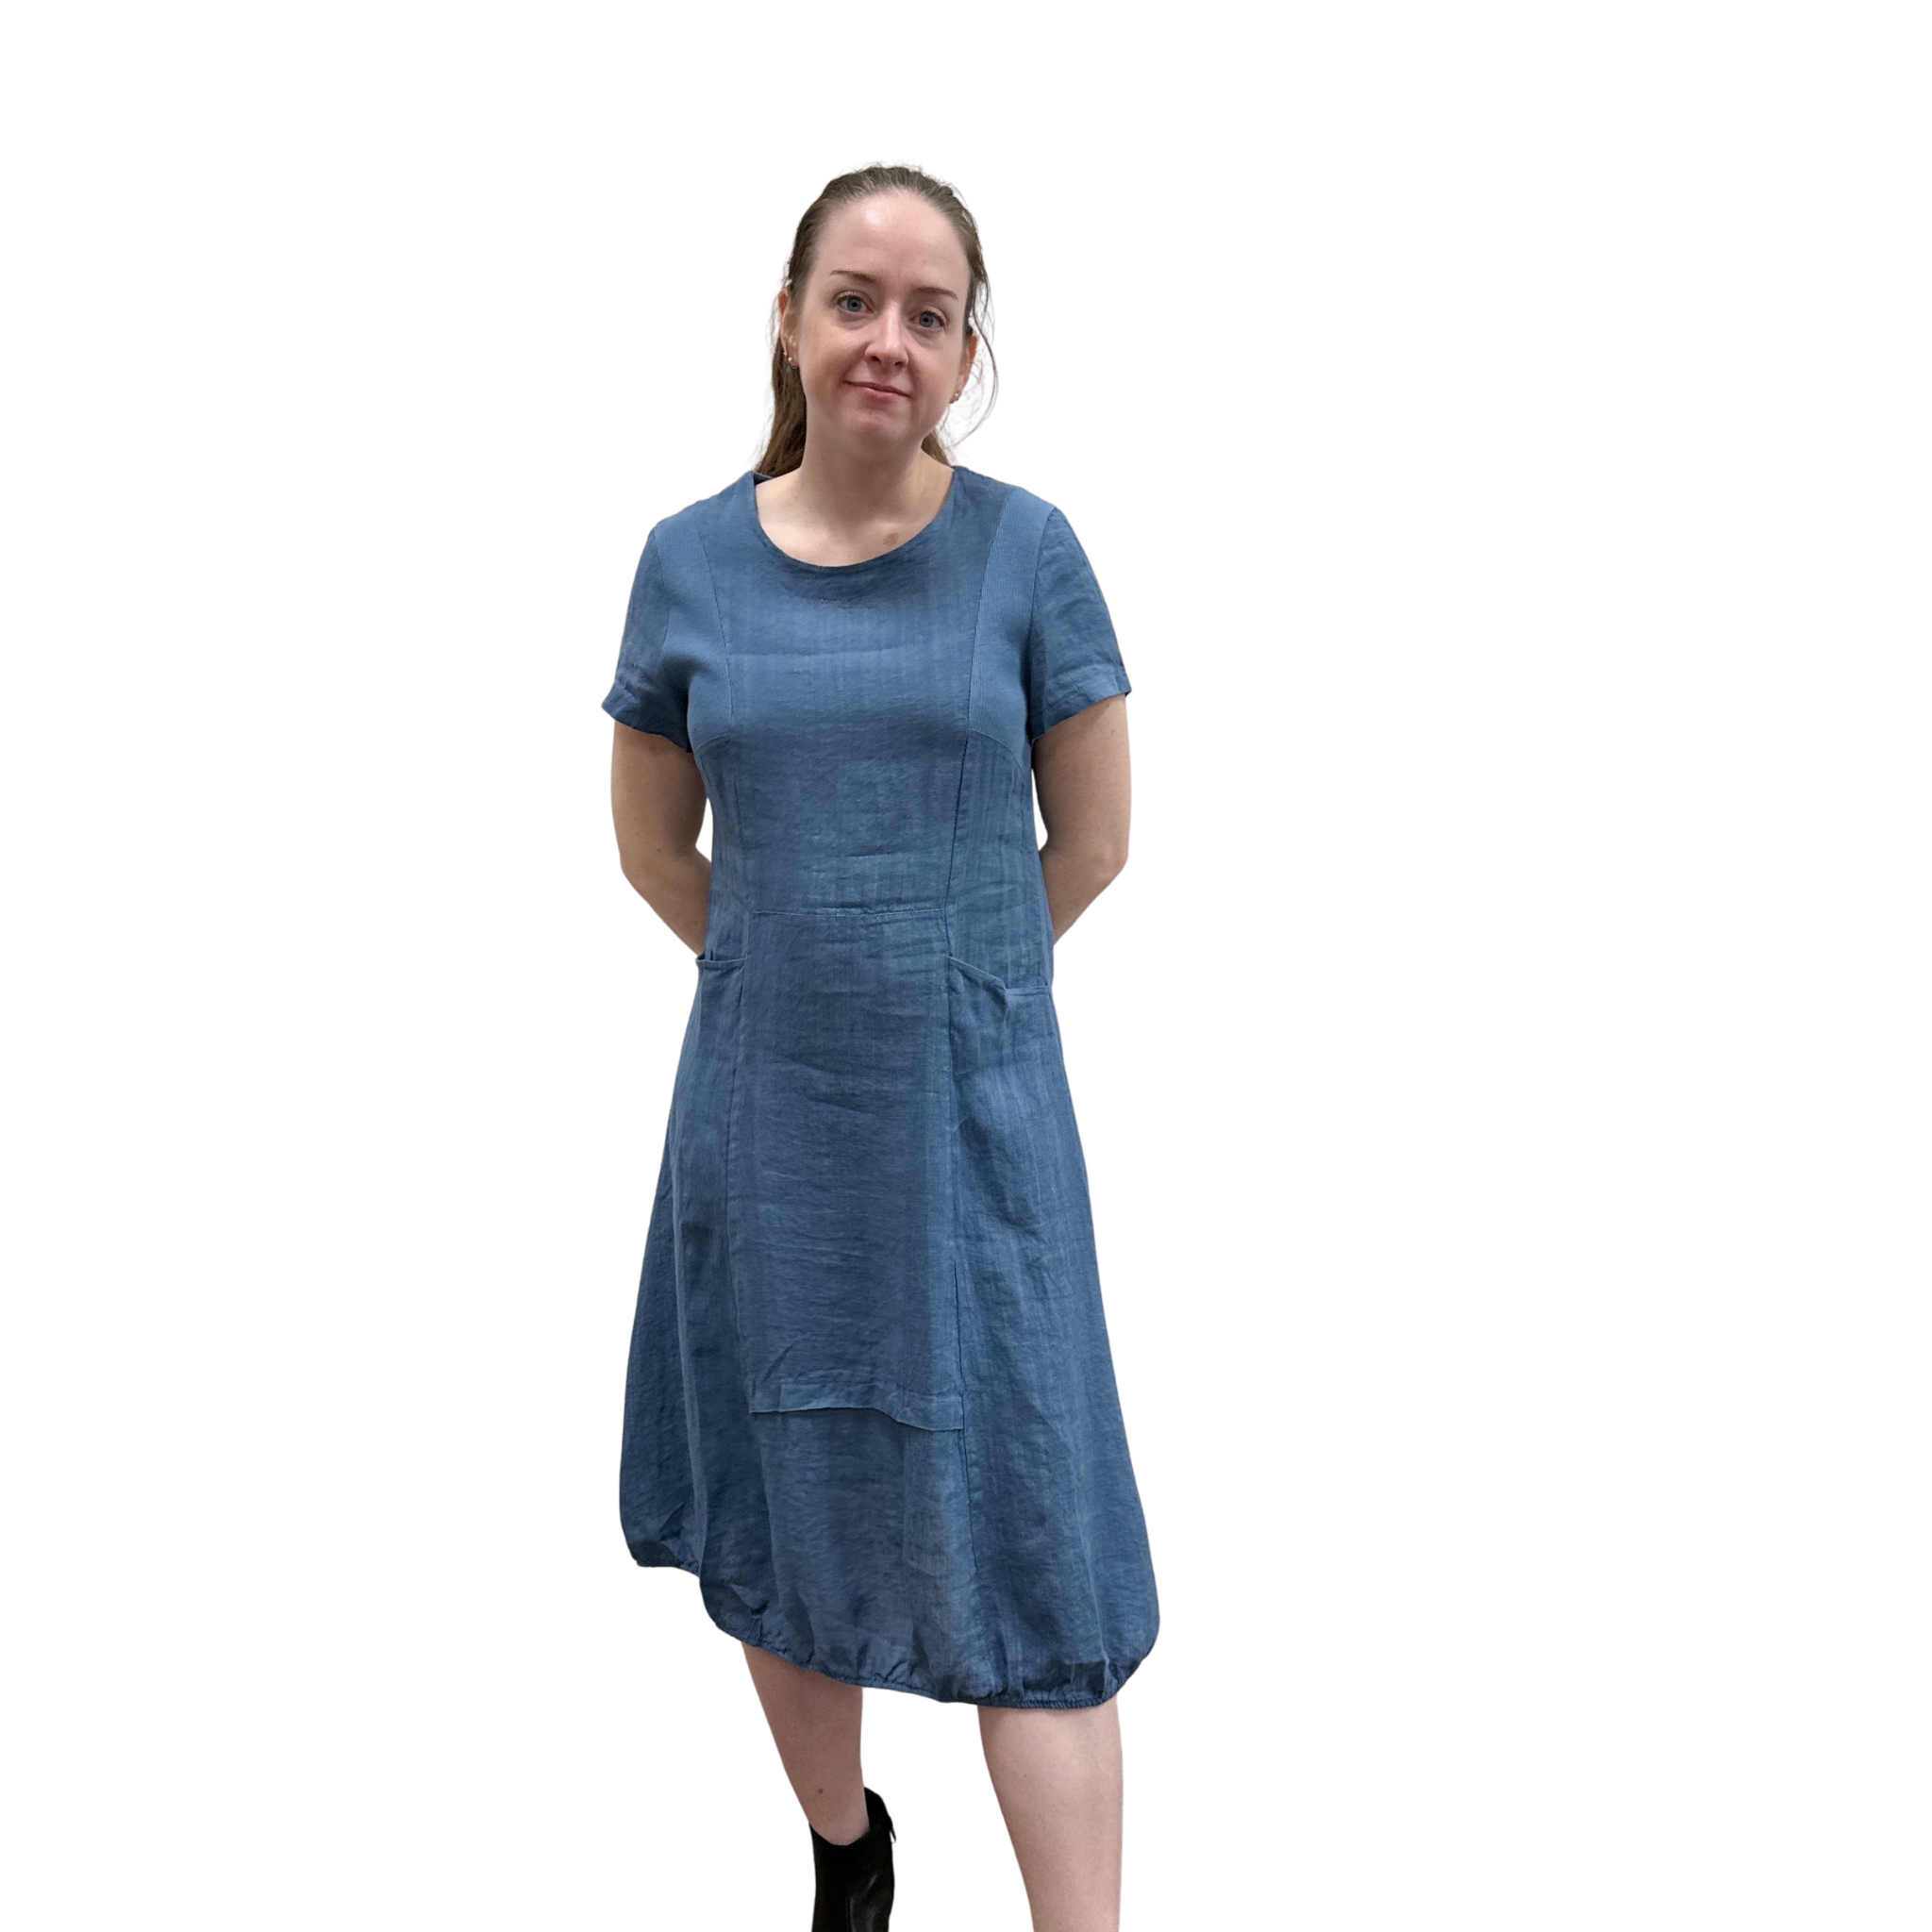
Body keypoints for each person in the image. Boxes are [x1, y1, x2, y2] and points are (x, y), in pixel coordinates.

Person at [603, 162, 1158, 1932]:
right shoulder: (685, 562)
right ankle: (850, 1851)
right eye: (856, 299)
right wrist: (794, 981)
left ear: (966, 347)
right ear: (788, 318)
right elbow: (648, 846)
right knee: (786, 1504)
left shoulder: (1030, 552)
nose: (888, 341)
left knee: (1034, 1539)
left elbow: (1095, 840)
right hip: (767, 1133)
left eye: (929, 314)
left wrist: (945, 987)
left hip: (980, 1136)